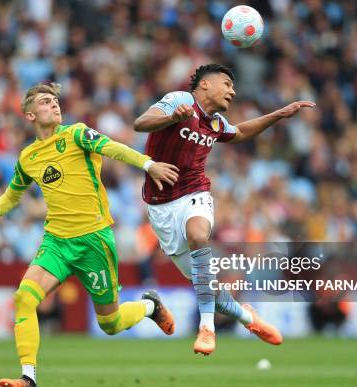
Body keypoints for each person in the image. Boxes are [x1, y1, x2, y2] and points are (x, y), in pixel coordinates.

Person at [0, 82, 178, 387]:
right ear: (30, 114)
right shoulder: (28, 156)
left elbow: (113, 147)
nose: (54, 105)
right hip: (56, 240)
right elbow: (13, 193)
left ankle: (150, 305)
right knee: (24, 298)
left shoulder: (77, 134)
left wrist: (148, 163)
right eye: (46, 102)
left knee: (110, 323)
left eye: (56, 101)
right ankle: (28, 379)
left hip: (93, 240)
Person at [133, 64, 315, 355]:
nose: (232, 90)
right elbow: (140, 123)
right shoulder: (180, 101)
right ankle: (248, 317)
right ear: (205, 84)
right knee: (209, 287)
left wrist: (279, 114)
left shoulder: (215, 122)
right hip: (160, 207)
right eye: (227, 84)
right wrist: (171, 117)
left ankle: (207, 328)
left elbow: (240, 132)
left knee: (197, 234)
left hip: (195, 192)